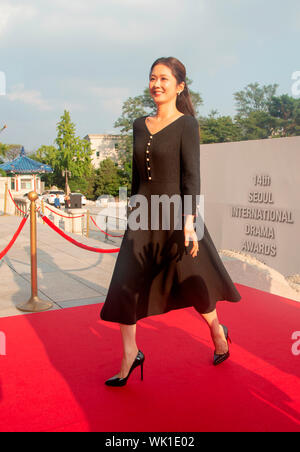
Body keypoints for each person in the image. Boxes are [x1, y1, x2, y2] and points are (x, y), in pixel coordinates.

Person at [100, 57, 242, 387]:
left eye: (164, 78)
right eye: (152, 78)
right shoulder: (138, 124)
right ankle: (129, 354)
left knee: (193, 283)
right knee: (125, 283)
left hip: (178, 215)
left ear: (179, 86)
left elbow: (192, 176)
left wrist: (189, 221)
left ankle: (217, 331)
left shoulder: (187, 125)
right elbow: (136, 177)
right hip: (143, 217)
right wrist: (132, 211)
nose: (157, 84)